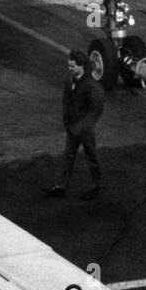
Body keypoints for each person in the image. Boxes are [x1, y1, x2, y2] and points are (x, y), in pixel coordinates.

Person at [44, 49, 105, 200]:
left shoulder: (91, 86)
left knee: (91, 156)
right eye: (69, 65)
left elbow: (96, 110)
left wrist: (83, 126)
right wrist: (68, 120)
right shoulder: (70, 80)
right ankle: (60, 185)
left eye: (72, 66)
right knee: (68, 156)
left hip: (84, 129)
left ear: (81, 66)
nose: (69, 68)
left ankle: (97, 185)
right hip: (73, 126)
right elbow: (66, 101)